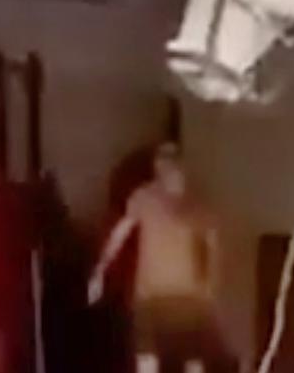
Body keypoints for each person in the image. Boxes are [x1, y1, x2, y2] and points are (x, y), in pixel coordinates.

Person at [88, 142, 229, 373]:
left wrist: (210, 288)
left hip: (187, 298)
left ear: (179, 167)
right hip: (150, 297)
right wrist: (100, 272)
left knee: (192, 361)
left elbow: (213, 245)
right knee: (148, 360)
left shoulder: (196, 204)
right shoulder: (144, 197)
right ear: (157, 168)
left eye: (170, 164)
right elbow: (121, 233)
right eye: (161, 164)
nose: (166, 170)